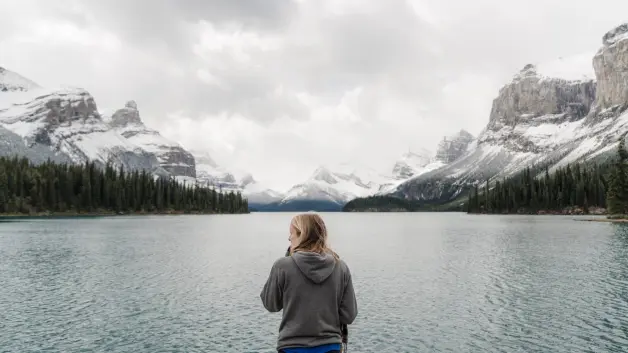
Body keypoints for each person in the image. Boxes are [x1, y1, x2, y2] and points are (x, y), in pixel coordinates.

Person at [260, 213, 358, 353]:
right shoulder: (341, 267)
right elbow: (349, 315)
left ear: (302, 235)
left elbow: (271, 304)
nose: (289, 238)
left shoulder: (283, 266)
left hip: (291, 347)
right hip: (331, 347)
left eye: (291, 233)